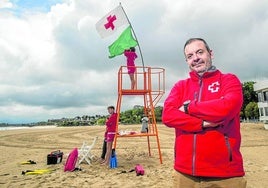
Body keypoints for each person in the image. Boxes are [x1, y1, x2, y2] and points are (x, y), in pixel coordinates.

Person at [162, 38, 246, 188]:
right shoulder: (181, 86)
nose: (195, 58)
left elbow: (227, 107)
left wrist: (188, 108)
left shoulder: (229, 80)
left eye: (200, 52)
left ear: (210, 53)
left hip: (225, 175)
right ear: (187, 61)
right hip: (184, 174)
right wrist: (201, 123)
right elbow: (168, 116)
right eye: (190, 56)